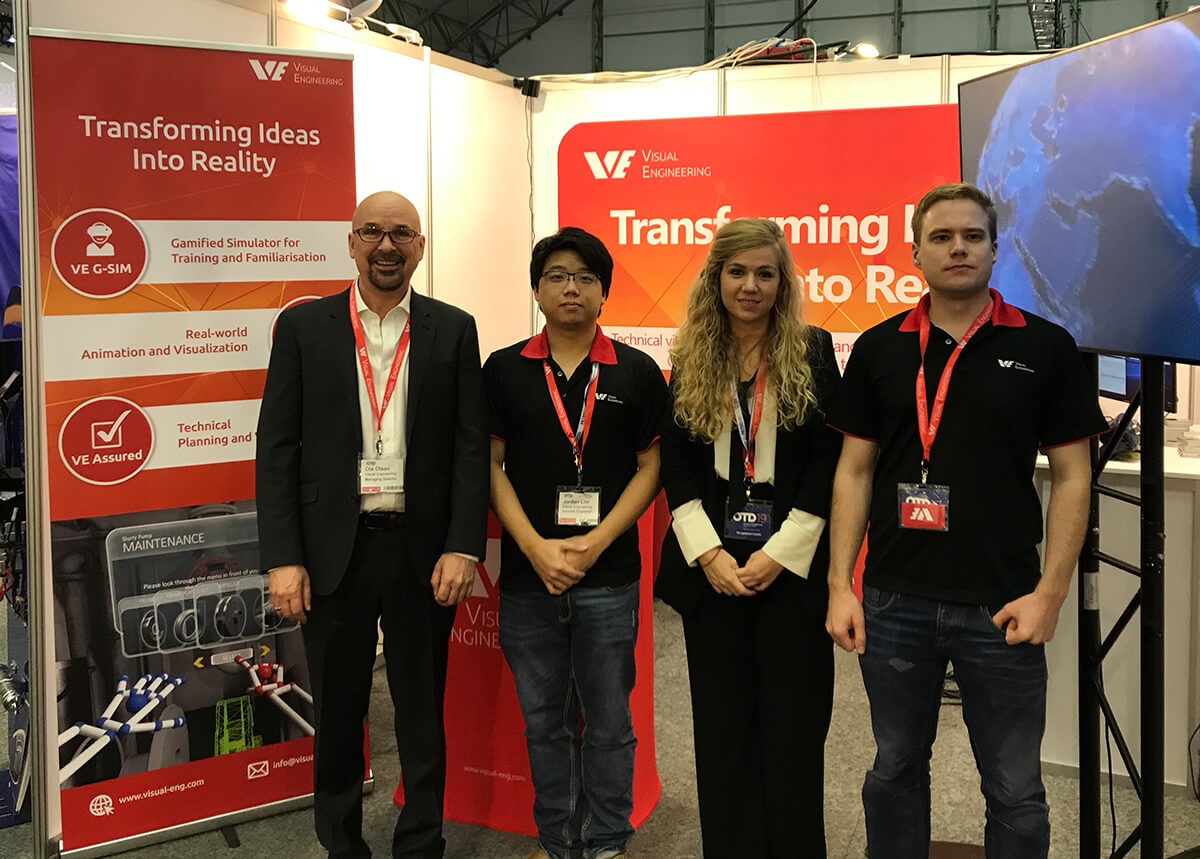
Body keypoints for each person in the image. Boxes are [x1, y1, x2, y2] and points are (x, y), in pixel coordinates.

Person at [825, 182, 1105, 858]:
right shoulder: (879, 348)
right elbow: (853, 472)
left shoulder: (1046, 347)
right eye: (942, 237)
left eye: (972, 236)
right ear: (915, 252)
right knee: (893, 768)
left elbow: (1073, 476)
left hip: (1004, 603)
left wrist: (1051, 593)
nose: (958, 248)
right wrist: (840, 585)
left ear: (995, 249)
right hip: (895, 599)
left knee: (1014, 786)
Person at [255, 191, 489, 858]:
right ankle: (341, 844)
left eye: (402, 234)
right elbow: (276, 447)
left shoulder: (453, 328)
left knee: (421, 712)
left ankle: (422, 841)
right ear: (350, 242)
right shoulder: (304, 328)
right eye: (373, 233)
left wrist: (463, 544)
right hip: (335, 553)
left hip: (422, 552)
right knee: (337, 712)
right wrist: (282, 557)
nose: (388, 246)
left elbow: (470, 447)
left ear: (420, 246)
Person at [655, 217, 841, 857]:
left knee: (792, 730)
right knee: (723, 730)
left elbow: (828, 461)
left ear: (782, 282)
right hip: (713, 575)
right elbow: (675, 462)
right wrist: (705, 551)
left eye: (765, 273)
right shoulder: (691, 353)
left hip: (788, 574)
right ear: (716, 279)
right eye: (737, 272)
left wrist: (781, 553)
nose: (751, 286)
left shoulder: (812, 349)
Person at [484, 227, 666, 859]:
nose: (571, 287)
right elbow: (490, 466)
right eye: (558, 275)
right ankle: (559, 843)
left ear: (603, 293)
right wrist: (534, 545)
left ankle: (608, 841)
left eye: (585, 278)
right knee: (544, 723)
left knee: (610, 724)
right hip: (529, 579)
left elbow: (651, 470)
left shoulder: (637, 371)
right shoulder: (505, 369)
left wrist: (594, 542)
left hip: (609, 575)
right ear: (538, 289)